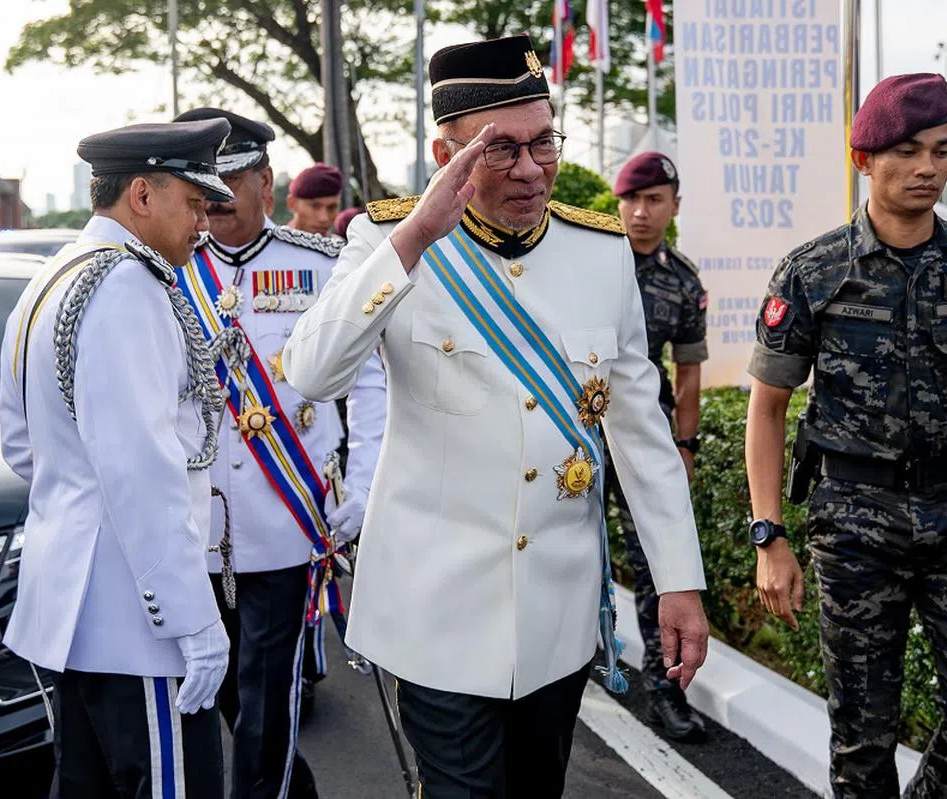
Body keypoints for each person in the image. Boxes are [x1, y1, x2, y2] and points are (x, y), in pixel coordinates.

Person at [282, 34, 709, 798]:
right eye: (499, 149)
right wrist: (416, 235)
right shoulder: (387, 239)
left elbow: (641, 430)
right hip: (437, 612)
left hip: (556, 614)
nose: (530, 167)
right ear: (448, 153)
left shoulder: (599, 251)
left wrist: (679, 579)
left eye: (542, 141)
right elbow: (312, 373)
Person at [745, 73, 947, 799]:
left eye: (942, 150)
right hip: (855, 524)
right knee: (863, 740)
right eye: (907, 152)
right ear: (863, 159)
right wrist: (769, 533)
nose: (928, 167)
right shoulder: (814, 270)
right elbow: (767, 407)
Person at [0, 119, 235, 797]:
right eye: (192, 203)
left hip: (74, 616)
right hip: (140, 627)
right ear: (140, 194)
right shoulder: (127, 287)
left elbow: (22, 447)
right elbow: (145, 472)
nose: (202, 223)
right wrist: (194, 620)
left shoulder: (49, 278)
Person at [172, 106, 386, 799]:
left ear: (268, 182)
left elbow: (371, 384)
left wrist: (361, 487)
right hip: (194, 524)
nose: (219, 201)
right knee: (221, 689)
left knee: (267, 692)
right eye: (206, 186)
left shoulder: (321, 267)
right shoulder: (170, 272)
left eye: (233, 182)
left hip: (287, 519)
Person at [608, 151, 708, 742]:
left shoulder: (682, 279)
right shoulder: (594, 261)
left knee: (656, 565)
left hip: (648, 441)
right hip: (578, 436)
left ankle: (664, 689)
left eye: (653, 201)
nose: (640, 213)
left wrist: (687, 445)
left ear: (674, 206)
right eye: (631, 200)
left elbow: (688, 372)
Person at [288, 163, 344, 235]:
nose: (324, 218)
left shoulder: (341, 244)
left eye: (332, 207)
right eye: (315, 206)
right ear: (292, 203)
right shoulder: (274, 244)